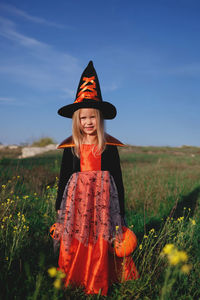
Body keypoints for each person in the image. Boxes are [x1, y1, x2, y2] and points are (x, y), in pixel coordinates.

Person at [51, 61, 139, 296]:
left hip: (103, 203)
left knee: (101, 237)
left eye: (92, 117)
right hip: (77, 203)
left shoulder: (108, 146)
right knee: (77, 236)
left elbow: (117, 179)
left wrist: (121, 210)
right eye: (83, 118)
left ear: (99, 118)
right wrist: (59, 212)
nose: (88, 122)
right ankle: (75, 276)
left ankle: (98, 278)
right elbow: (63, 179)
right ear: (76, 121)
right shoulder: (72, 146)